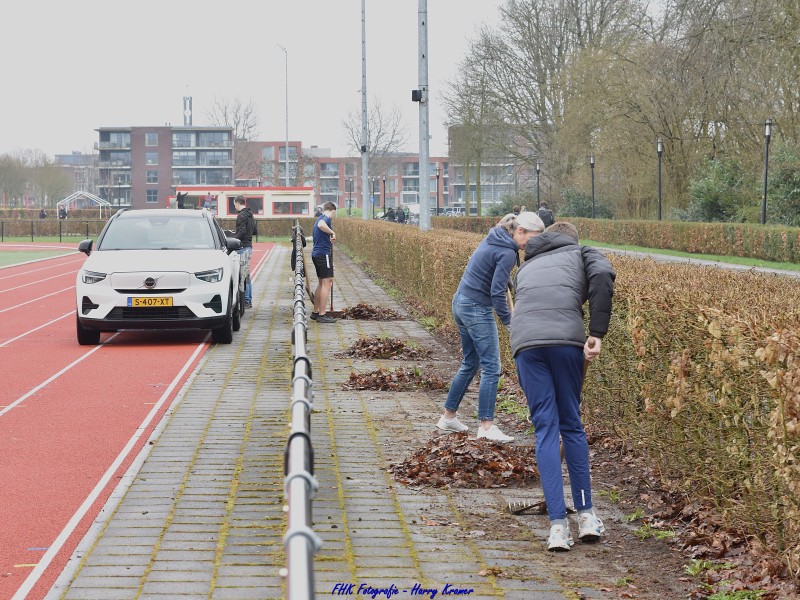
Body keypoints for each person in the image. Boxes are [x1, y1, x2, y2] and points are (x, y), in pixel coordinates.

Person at [510, 221, 615, 552]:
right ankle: (585, 515)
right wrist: (596, 333)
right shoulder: (582, 252)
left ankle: (557, 527)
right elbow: (602, 278)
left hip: (525, 344)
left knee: (545, 428)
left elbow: (519, 296)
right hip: (565, 341)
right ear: (573, 239)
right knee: (570, 424)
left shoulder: (525, 267)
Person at [437, 211, 545, 442]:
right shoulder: (507, 251)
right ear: (520, 231)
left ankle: (448, 417)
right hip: (476, 307)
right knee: (492, 367)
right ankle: (486, 427)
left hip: (461, 301)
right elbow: (496, 292)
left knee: (471, 363)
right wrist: (509, 322)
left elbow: (495, 273)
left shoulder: (496, 237)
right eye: (532, 238)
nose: (532, 244)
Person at [311, 201, 338, 323]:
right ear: (332, 211)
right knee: (327, 284)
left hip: (317, 254)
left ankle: (315, 312)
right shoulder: (325, 219)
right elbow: (321, 226)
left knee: (321, 283)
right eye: (334, 214)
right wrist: (332, 232)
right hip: (323, 254)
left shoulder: (320, 217)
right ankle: (322, 315)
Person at [233, 196, 256, 308]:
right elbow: (254, 230)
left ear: (238, 203)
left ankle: (245, 301)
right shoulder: (250, 214)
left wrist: (234, 239)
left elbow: (241, 232)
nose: (234, 206)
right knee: (247, 275)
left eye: (234, 204)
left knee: (242, 275)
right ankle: (248, 300)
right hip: (249, 245)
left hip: (242, 247)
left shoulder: (241, 215)